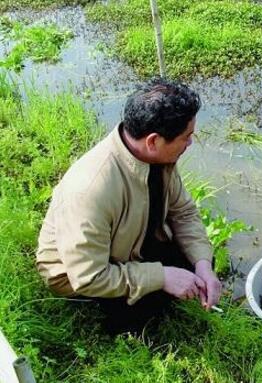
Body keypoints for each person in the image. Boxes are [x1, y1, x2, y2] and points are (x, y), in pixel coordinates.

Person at [36, 78, 221, 331]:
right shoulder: (90, 189)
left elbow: (183, 212)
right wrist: (161, 277)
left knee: (200, 262)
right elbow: (89, 277)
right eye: (186, 137)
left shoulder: (159, 158)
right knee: (145, 313)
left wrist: (203, 265)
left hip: (129, 245)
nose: (190, 144)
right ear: (153, 141)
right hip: (83, 276)